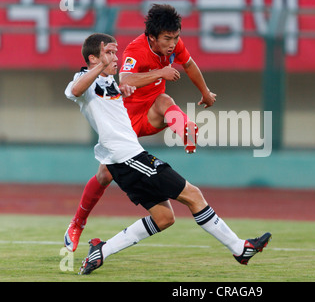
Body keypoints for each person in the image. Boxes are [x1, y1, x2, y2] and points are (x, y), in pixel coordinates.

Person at [64, 33, 271, 275]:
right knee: (193, 195)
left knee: (164, 217)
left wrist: (123, 89)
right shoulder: (83, 79)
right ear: (92, 58)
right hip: (130, 159)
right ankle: (239, 248)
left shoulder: (109, 84)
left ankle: (102, 251)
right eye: (109, 53)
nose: (115, 58)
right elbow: (75, 90)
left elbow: (110, 102)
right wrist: (103, 68)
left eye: (115, 52)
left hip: (124, 160)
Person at [64, 4, 217, 252]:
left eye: (176, 37)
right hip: (126, 125)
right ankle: (78, 222)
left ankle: (184, 129)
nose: (173, 43)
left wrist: (205, 92)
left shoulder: (173, 45)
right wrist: (161, 73)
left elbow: (189, 65)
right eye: (167, 38)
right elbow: (125, 79)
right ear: (152, 36)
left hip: (151, 112)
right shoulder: (135, 49)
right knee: (104, 175)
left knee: (165, 101)